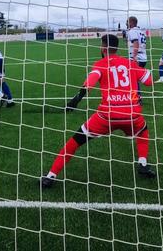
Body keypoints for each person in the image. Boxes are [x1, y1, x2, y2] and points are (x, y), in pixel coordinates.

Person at [41, 34, 155, 188]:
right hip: (132, 115)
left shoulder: (100, 64)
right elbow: (148, 81)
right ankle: (142, 163)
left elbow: (90, 82)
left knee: (75, 141)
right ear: (117, 47)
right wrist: (134, 86)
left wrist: (76, 100)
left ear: (102, 47)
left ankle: (50, 176)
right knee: (143, 131)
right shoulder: (130, 63)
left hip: (106, 116)